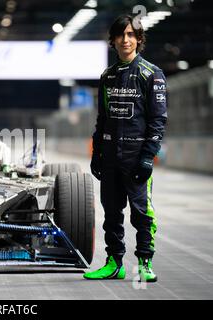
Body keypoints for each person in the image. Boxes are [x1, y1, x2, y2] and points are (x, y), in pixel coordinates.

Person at [83, 14, 168, 282]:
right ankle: (113, 263)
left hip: (135, 157)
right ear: (114, 40)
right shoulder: (107, 76)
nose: (126, 39)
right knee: (111, 212)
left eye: (131, 34)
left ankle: (144, 263)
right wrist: (97, 152)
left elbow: (158, 121)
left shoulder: (151, 74)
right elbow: (102, 119)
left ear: (139, 39)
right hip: (110, 157)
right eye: (121, 35)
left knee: (142, 213)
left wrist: (147, 157)